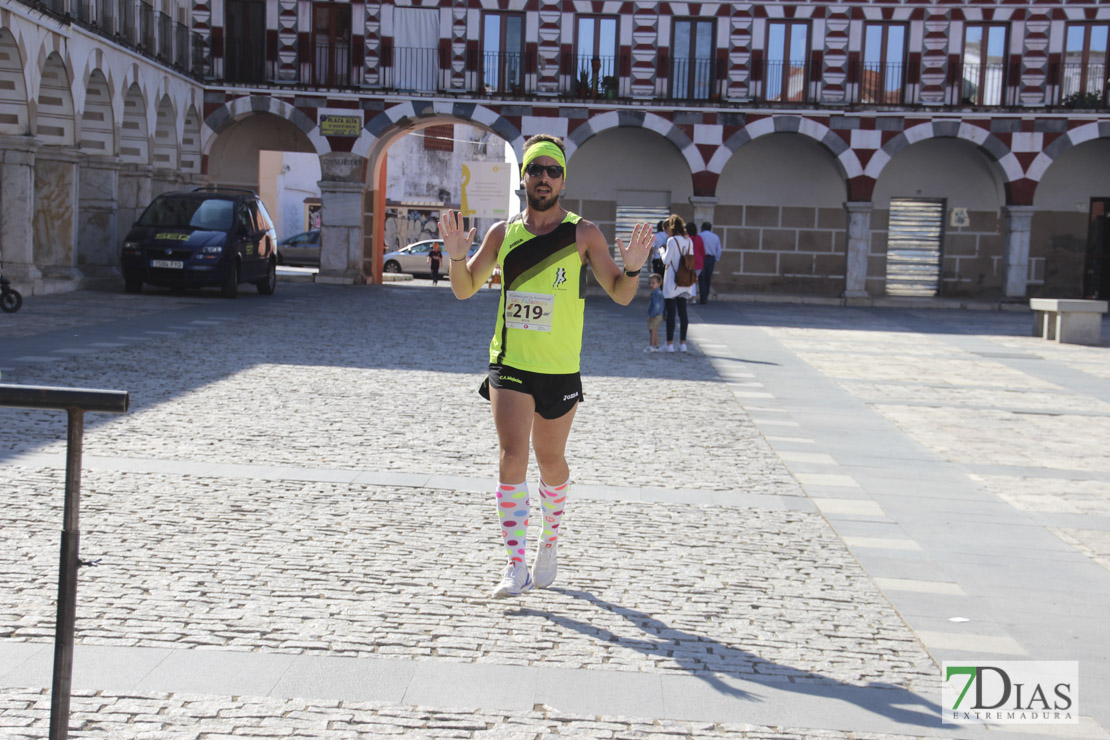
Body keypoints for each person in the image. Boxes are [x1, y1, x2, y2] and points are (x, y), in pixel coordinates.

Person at [439, 134, 654, 599]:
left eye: (552, 171)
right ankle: (515, 564)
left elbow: (619, 292)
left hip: (559, 369)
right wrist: (458, 255)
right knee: (512, 456)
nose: (543, 178)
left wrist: (633, 268)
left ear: (563, 180)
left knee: (550, 461)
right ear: (523, 177)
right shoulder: (503, 233)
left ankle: (548, 539)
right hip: (510, 363)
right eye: (535, 169)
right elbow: (463, 288)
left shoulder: (583, 234)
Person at [661, 214, 696, 353]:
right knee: (683, 313)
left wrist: (661, 251)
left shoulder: (671, 241)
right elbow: (691, 259)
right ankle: (683, 343)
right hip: (685, 281)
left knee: (671, 313)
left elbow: (666, 260)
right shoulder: (689, 241)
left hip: (672, 281)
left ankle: (669, 344)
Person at [698, 222, 721, 304]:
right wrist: (716, 259)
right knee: (708, 278)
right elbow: (718, 250)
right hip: (711, 258)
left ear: (702, 228)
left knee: (701, 278)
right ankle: (706, 297)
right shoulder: (715, 237)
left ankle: (702, 297)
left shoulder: (699, 236)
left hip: (702, 258)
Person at [645, 273, 664, 352]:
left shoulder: (656, 293)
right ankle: (656, 346)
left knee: (652, 330)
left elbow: (656, 306)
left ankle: (652, 346)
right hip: (659, 315)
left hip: (656, 315)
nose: (651, 285)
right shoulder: (658, 293)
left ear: (659, 283)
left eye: (653, 283)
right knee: (654, 330)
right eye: (650, 283)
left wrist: (652, 315)